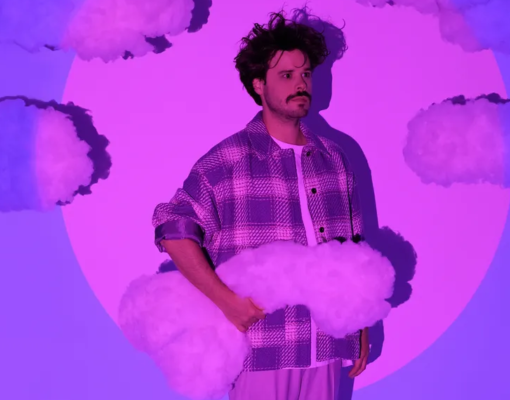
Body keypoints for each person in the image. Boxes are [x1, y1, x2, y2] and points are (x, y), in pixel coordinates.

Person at [152, 9, 369, 400]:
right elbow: (173, 228)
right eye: (286, 75)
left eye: (305, 74)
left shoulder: (335, 158)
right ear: (258, 85)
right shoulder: (227, 161)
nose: (300, 84)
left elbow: (353, 250)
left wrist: (361, 322)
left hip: (326, 345)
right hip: (262, 349)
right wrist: (227, 303)